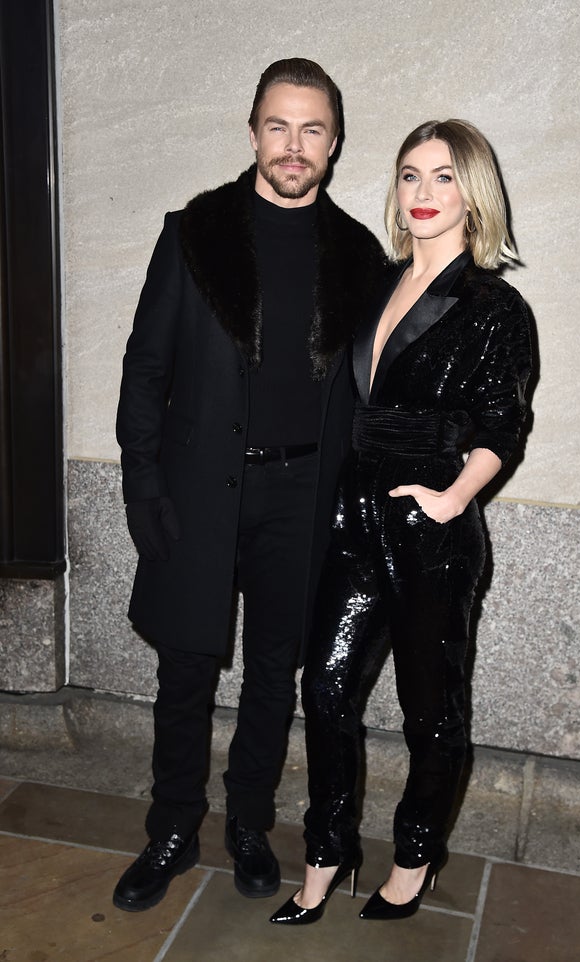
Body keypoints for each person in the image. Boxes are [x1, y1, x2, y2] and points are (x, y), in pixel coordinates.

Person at [113, 58, 386, 912]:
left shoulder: (357, 255)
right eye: (278, 125)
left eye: (312, 129)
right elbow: (144, 369)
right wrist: (141, 489)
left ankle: (247, 824)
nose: (293, 145)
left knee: (277, 670)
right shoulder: (194, 234)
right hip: (198, 493)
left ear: (334, 143)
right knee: (187, 669)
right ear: (253, 131)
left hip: (302, 497)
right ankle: (170, 830)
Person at [270, 119, 532, 925]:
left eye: (443, 177)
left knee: (433, 712)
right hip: (354, 514)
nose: (423, 193)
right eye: (411, 176)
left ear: (473, 192)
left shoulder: (492, 306)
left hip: (432, 530)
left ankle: (414, 856)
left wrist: (454, 499)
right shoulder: (375, 286)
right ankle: (326, 850)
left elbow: (503, 424)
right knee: (326, 689)